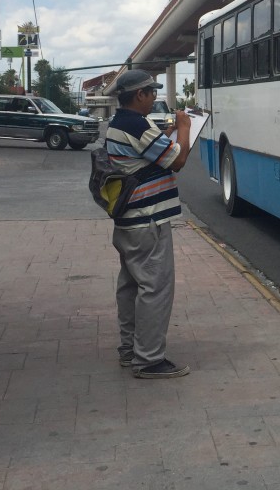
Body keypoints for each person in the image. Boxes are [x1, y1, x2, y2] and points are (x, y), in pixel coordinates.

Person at [106, 70, 192, 379]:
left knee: (131, 287)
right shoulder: (137, 124)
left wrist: (169, 136)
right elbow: (177, 160)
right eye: (151, 92)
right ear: (139, 95)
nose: (154, 97)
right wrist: (184, 127)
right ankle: (149, 360)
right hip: (149, 219)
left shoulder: (117, 124)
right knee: (155, 288)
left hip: (129, 221)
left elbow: (155, 155)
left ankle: (130, 349)